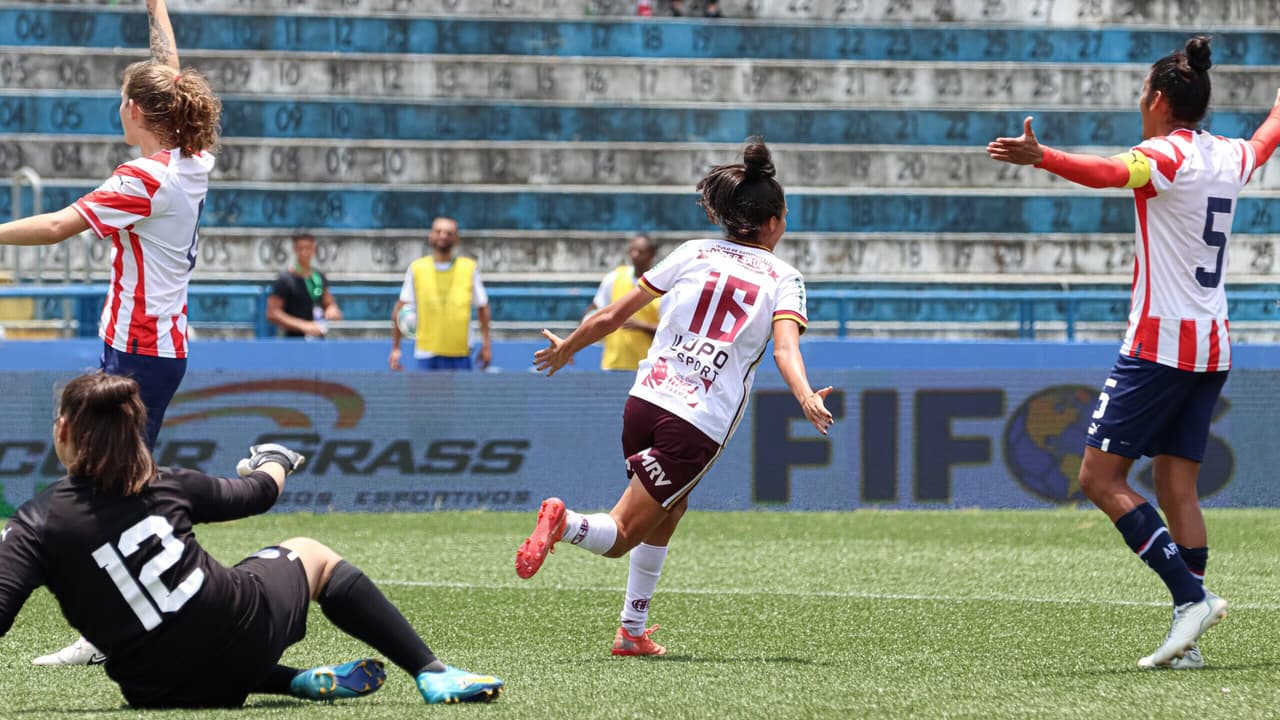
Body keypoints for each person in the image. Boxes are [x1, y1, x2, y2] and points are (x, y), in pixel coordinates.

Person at [988, 36, 1280, 670]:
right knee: (1179, 487)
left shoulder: (1164, 156)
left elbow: (1110, 173)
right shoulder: (1229, 155)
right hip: (1212, 345)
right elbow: (1268, 136)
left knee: (1099, 477)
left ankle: (1191, 598)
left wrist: (1043, 157)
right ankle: (1189, 640)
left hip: (1157, 345)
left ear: (1156, 101)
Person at [0, 372, 504, 708]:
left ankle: (293, 681)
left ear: (62, 429)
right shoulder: (164, 482)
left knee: (176, 639)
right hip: (243, 639)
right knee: (313, 554)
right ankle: (432, 671)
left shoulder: (35, 522)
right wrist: (276, 457)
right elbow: (259, 492)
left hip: (154, 689)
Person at [514, 139, 834, 656]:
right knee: (620, 535)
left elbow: (612, 315)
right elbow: (783, 349)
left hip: (644, 401)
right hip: (696, 421)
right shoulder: (784, 277)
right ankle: (564, 522)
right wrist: (804, 397)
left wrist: (569, 347)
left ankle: (632, 631)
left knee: (672, 506)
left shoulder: (695, 251)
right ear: (774, 222)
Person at [0, 0, 219, 666]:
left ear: (134, 111)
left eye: (122, 98)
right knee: (121, 482)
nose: (117, 105)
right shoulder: (191, 157)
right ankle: (127, 609)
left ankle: (126, 616)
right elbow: (170, 72)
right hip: (156, 347)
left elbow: (57, 225)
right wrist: (157, 6)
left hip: (139, 352)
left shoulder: (141, 180)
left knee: (117, 491)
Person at [389, 217, 492, 371]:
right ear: (431, 236)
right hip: (427, 352)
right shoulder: (417, 268)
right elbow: (401, 307)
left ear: (456, 239)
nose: (443, 236)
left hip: (460, 353)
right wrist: (396, 348)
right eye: (439, 232)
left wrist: (486, 345)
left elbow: (482, 307)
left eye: (449, 233)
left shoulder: (469, 268)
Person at [582, 233, 660, 371]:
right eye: (632, 250)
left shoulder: (663, 285)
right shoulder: (614, 278)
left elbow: (671, 329)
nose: (635, 255)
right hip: (612, 364)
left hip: (647, 368)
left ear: (652, 254)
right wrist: (588, 322)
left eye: (640, 252)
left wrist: (642, 326)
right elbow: (596, 308)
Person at [266, 232, 343, 339]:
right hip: (293, 341)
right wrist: (303, 326)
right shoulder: (285, 279)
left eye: (308, 248)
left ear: (313, 249)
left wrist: (331, 310)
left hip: (317, 338)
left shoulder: (319, 277)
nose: (304, 252)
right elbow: (272, 313)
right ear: (295, 250)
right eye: (300, 248)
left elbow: (329, 303)